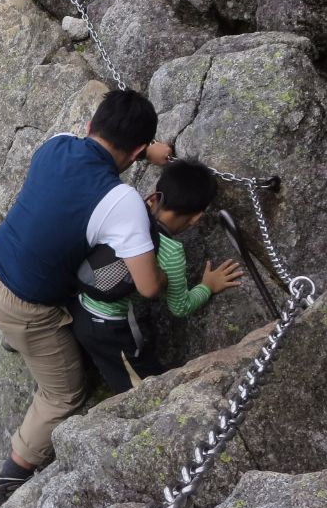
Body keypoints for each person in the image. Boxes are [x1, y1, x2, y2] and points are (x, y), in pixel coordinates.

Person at [0, 89, 173, 508]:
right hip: (25, 305)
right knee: (64, 394)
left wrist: (143, 154)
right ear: (138, 149)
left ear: (90, 127)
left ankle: (18, 339)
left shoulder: (54, 146)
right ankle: (11, 477)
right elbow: (149, 287)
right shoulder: (120, 202)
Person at [68, 158, 244, 393]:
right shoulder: (171, 251)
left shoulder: (129, 215)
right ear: (196, 218)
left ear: (155, 195)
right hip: (113, 331)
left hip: (79, 308)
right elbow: (180, 306)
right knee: (145, 390)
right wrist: (208, 286)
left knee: (109, 367)